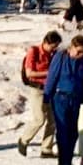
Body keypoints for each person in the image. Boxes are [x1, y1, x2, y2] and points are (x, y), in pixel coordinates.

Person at [43, 33, 83, 165]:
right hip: (60, 97)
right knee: (63, 129)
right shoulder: (61, 57)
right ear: (71, 47)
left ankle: (68, 161)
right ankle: (62, 162)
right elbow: (52, 76)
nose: (81, 54)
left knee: (73, 131)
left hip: (75, 99)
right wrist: (46, 98)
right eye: (79, 51)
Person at [16, 29, 60, 157]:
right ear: (46, 42)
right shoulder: (34, 51)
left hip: (50, 89)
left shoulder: (53, 55)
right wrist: (49, 72)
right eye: (53, 46)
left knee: (53, 120)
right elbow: (30, 73)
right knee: (39, 118)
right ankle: (24, 140)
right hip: (37, 89)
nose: (54, 49)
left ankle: (46, 148)